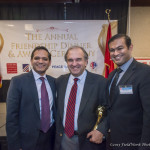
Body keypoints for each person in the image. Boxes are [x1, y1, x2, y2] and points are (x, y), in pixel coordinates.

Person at [54, 46, 107, 150]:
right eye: (70, 60)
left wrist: (101, 130)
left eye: (78, 59)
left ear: (86, 61)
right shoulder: (59, 81)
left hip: (90, 140)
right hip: (64, 139)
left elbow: (110, 109)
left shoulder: (100, 82)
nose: (74, 64)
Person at [6, 46, 56, 150]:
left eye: (45, 59)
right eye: (37, 58)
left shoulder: (54, 82)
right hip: (26, 142)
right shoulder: (18, 81)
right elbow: (11, 117)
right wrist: (15, 146)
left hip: (50, 139)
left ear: (50, 62)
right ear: (31, 61)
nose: (40, 61)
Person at [107, 34, 150, 150]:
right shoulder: (112, 75)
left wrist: (145, 146)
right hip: (112, 141)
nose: (115, 53)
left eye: (120, 48)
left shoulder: (145, 73)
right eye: (112, 50)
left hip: (134, 143)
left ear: (130, 47)